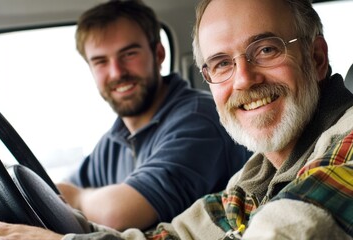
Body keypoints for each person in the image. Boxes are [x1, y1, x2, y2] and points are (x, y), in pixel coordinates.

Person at [0, 0, 352, 239]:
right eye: (222, 63)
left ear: (317, 58)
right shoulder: (253, 179)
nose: (243, 79)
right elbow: (174, 236)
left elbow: (288, 229)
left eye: (266, 50)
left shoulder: (347, 146)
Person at [54, 0, 251, 232]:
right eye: (100, 62)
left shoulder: (200, 119)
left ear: (158, 54)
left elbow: (119, 215)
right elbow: (64, 188)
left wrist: (75, 198)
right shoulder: (113, 141)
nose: (117, 72)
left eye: (129, 54)